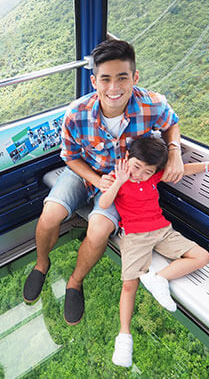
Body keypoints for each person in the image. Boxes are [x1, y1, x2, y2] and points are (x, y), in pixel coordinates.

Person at [22, 39, 185, 325]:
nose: (114, 88)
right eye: (106, 79)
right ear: (94, 81)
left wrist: (174, 152)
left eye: (122, 78)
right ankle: (42, 263)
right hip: (86, 172)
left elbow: (171, 122)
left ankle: (75, 281)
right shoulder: (77, 113)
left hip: (123, 185)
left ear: (135, 77)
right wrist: (96, 180)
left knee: (98, 231)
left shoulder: (151, 105)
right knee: (49, 215)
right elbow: (70, 157)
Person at [99, 136, 209, 367]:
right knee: (129, 284)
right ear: (127, 158)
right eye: (136, 167)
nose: (140, 174)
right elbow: (104, 203)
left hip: (162, 230)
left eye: (147, 171)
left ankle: (159, 278)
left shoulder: (154, 176)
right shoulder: (118, 177)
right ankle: (124, 336)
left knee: (202, 256)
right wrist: (120, 181)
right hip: (135, 235)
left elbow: (185, 169)